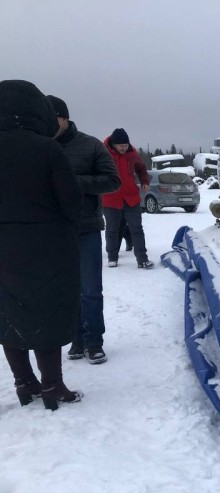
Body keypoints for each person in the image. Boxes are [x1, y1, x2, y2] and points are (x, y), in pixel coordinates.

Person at [0, 80, 83, 409]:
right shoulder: (47, 148)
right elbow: (72, 203)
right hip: (47, 246)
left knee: (8, 313)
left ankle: (24, 383)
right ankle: (52, 386)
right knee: (47, 312)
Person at [49, 95, 121, 365]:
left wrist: (71, 182)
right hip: (53, 231)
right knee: (65, 289)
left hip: (86, 227)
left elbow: (112, 180)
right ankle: (76, 339)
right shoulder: (42, 147)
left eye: (52, 117)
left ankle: (94, 341)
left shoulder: (90, 146)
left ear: (64, 118)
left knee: (90, 289)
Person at [102, 128, 154, 268]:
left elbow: (141, 168)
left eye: (126, 145)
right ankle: (112, 257)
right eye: (121, 146)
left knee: (136, 228)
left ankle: (142, 259)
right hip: (111, 198)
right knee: (112, 229)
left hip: (131, 197)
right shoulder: (103, 153)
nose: (124, 148)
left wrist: (144, 182)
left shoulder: (132, 154)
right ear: (113, 144)